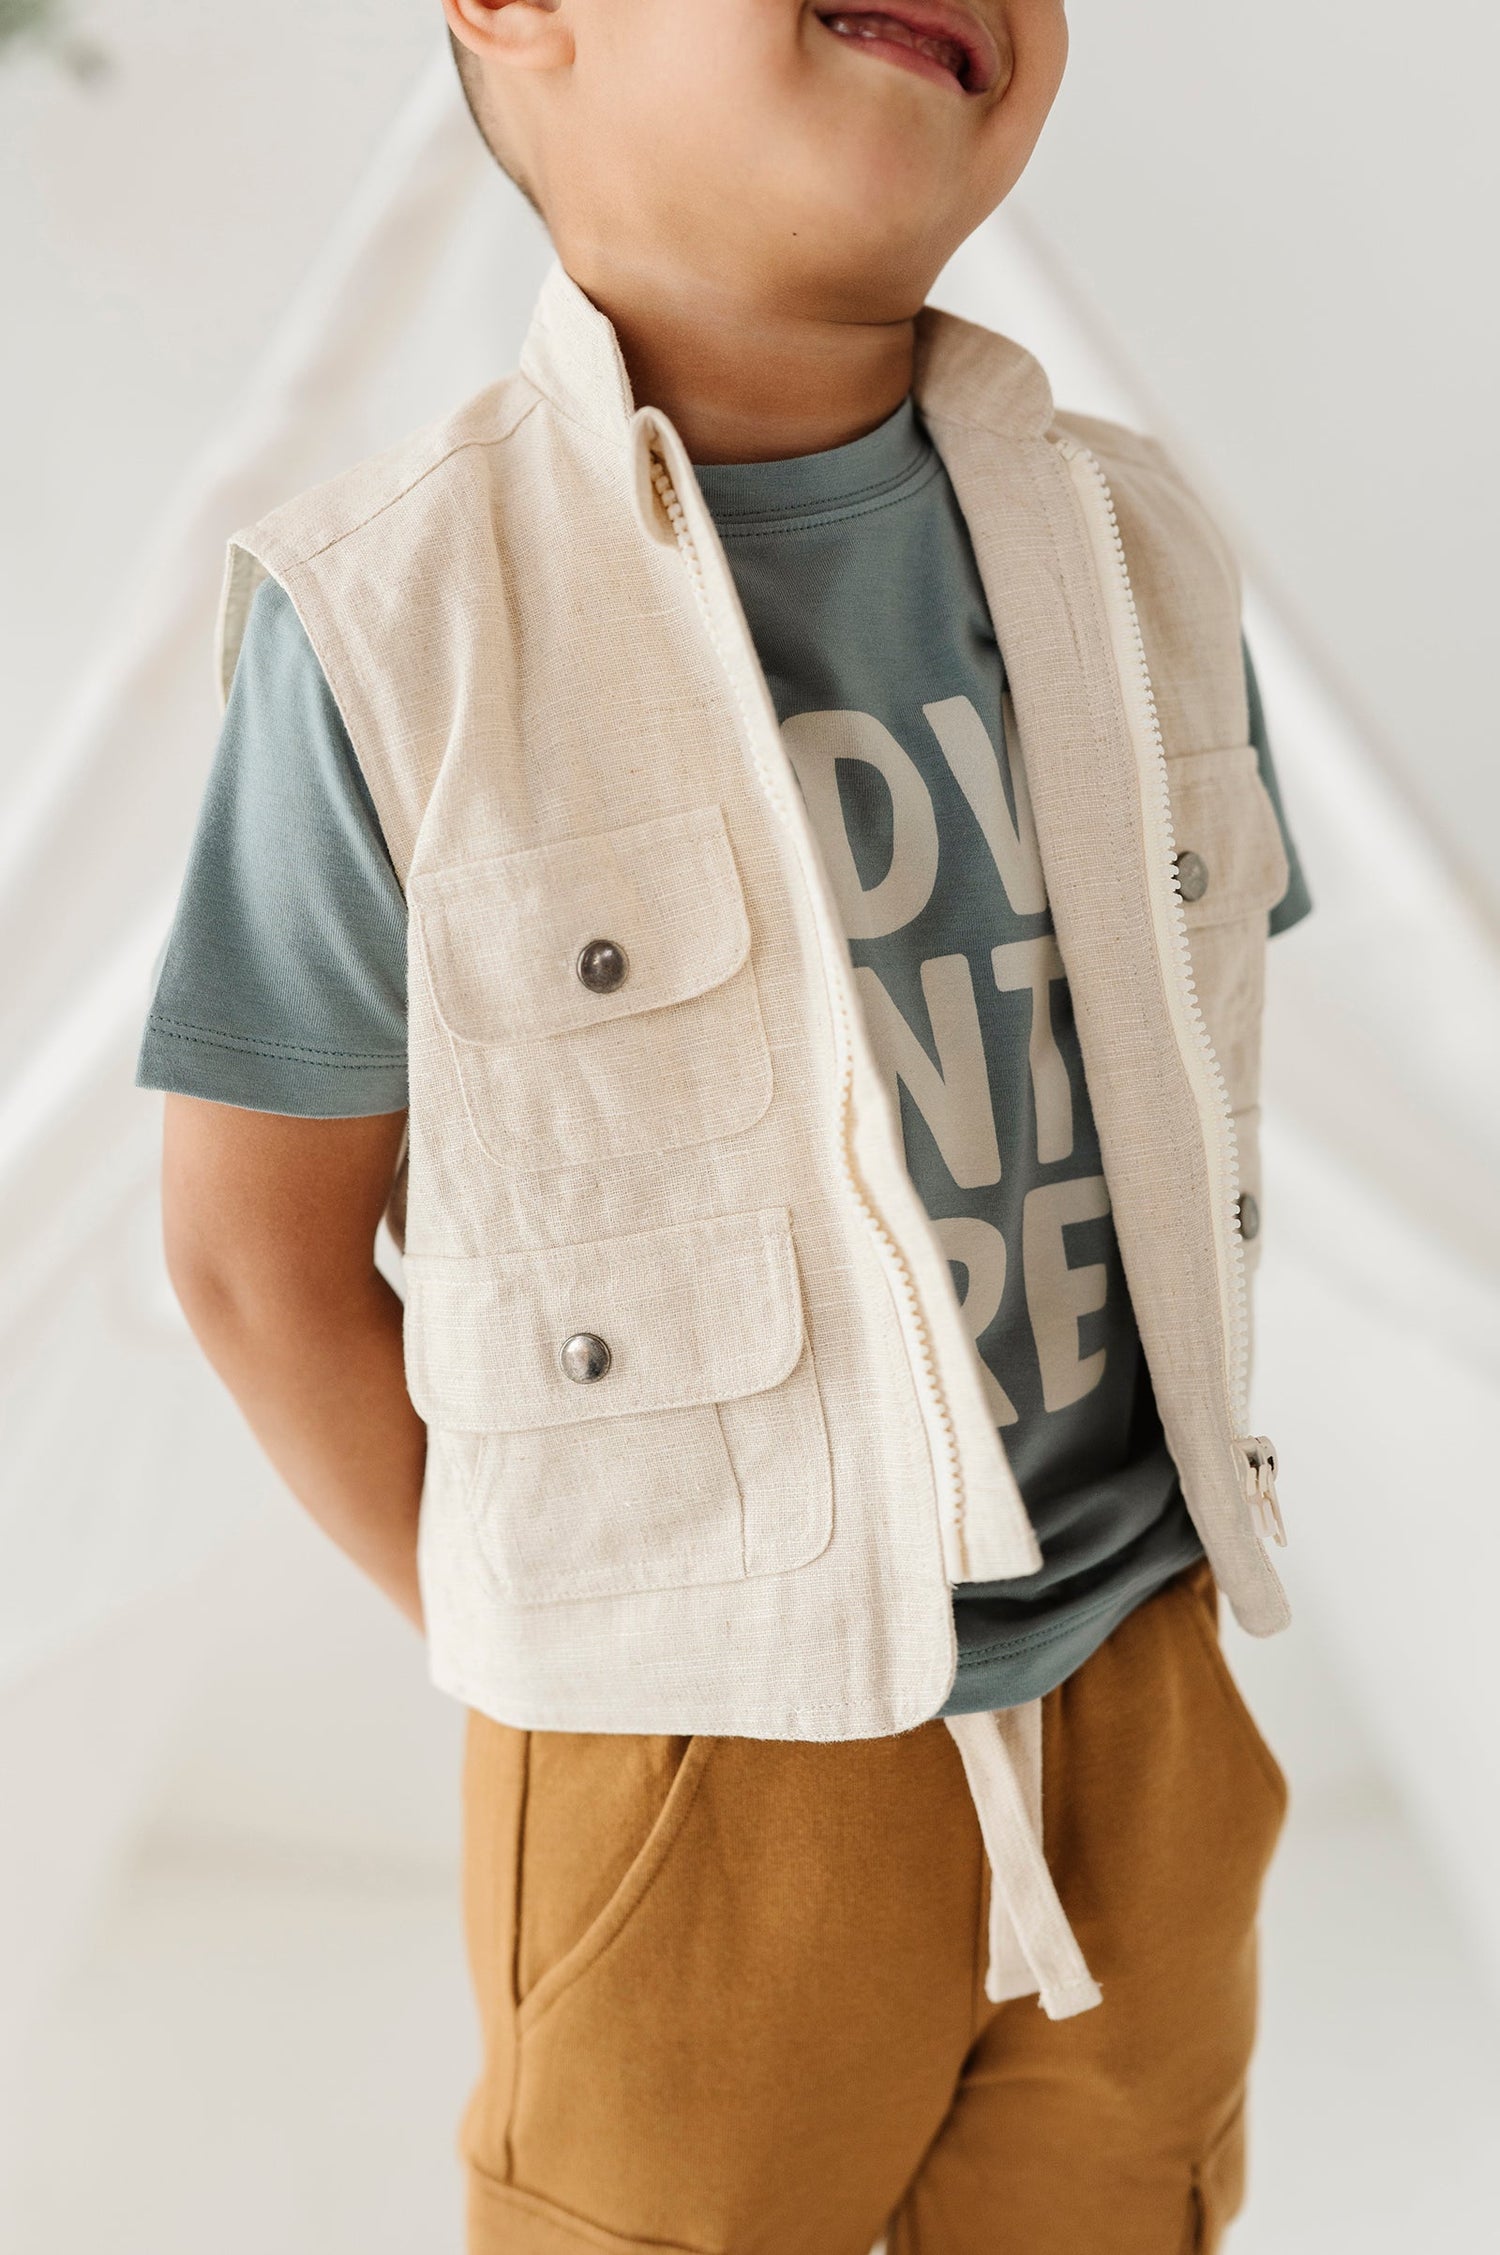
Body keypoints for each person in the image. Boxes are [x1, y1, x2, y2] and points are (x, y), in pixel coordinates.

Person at [139, 4, 1313, 2247]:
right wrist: (583, 1651)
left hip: (1147, 1678)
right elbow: (250, 1257)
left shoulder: (1141, 547)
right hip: (693, 1751)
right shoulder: (394, 622)